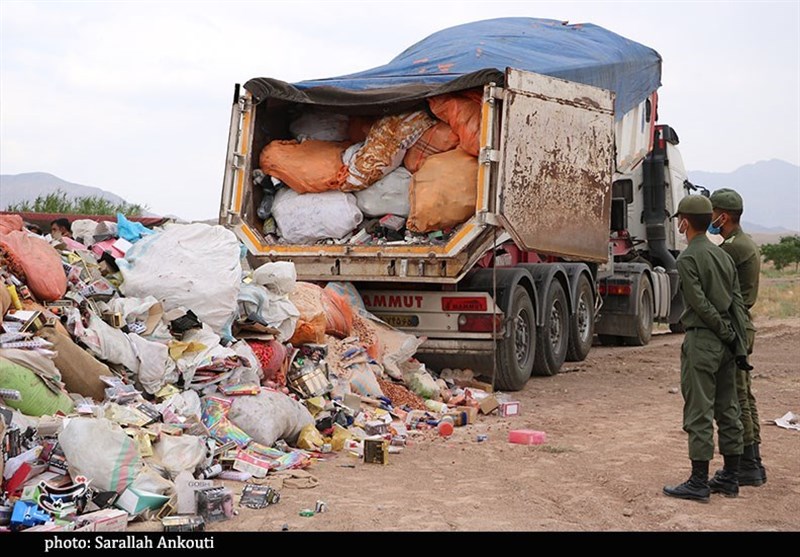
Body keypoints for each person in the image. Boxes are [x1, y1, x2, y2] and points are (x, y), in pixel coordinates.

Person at [663, 194, 752, 502]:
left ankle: (699, 481)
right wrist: (737, 341)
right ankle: (730, 477)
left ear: (684, 223)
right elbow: (737, 303)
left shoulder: (687, 258)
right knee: (728, 409)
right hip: (728, 344)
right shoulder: (723, 256)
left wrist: (722, 331)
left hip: (703, 340)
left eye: (680, 220)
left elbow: (699, 304)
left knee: (699, 410)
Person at [708, 187, 766, 488]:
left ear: (723, 216)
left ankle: (747, 464)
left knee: (736, 397)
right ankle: (753, 462)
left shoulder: (733, 248)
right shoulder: (743, 243)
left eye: (712, 213)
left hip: (736, 326)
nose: (709, 218)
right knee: (744, 394)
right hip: (743, 324)